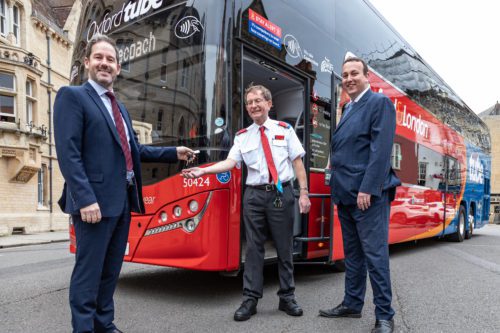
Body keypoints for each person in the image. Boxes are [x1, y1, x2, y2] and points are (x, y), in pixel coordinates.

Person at [54, 34, 194, 333]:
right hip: (94, 204)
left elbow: (135, 151)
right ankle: (84, 329)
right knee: (88, 273)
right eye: (99, 58)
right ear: (87, 62)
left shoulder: (120, 108)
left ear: (118, 68)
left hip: (121, 201)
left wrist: (173, 152)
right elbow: (68, 153)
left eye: (111, 60)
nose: (105, 63)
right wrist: (85, 198)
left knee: (109, 272)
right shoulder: (73, 96)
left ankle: (104, 324)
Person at [182, 84, 311, 321]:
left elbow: (298, 164)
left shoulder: (285, 130)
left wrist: (303, 193)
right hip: (253, 196)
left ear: (269, 104)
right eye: (249, 102)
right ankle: (250, 299)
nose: (253, 106)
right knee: (253, 248)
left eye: (257, 101)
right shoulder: (243, 136)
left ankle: (287, 297)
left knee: (284, 247)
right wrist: (203, 172)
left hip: (281, 194)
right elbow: (230, 163)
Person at [318, 57, 400, 333]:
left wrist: (368, 187)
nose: (349, 78)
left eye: (355, 73)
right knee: (353, 255)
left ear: (367, 76)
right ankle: (352, 304)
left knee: (375, 257)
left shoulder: (379, 103)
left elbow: (380, 149)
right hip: (345, 195)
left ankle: (385, 316)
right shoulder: (347, 107)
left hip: (368, 196)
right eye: (345, 74)